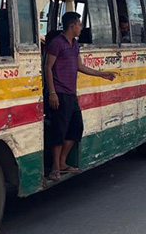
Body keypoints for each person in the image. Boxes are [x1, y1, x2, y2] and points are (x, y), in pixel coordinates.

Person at [45, 12, 117, 180]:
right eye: (79, 24)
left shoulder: (75, 44)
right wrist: (52, 92)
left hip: (71, 93)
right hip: (60, 93)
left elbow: (80, 66)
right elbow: (48, 67)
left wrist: (102, 74)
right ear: (72, 26)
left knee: (76, 128)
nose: (81, 28)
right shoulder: (57, 43)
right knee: (58, 131)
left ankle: (63, 162)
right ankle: (55, 168)